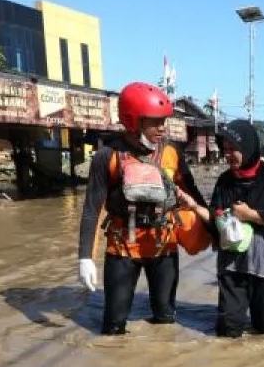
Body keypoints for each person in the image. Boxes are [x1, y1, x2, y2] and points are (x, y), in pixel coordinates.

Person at [77, 82, 209, 335]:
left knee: (166, 320)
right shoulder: (107, 156)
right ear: (132, 121)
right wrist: (85, 257)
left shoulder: (172, 152)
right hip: (122, 248)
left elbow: (195, 197)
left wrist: (215, 229)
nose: (162, 127)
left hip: (164, 246)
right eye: (154, 122)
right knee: (113, 327)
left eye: (164, 121)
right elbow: (92, 209)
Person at [178, 120, 264, 337]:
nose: (228, 155)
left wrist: (251, 215)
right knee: (228, 330)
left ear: (248, 147)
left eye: (233, 149)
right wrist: (194, 206)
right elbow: (215, 218)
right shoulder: (225, 181)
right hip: (234, 264)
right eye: (225, 149)